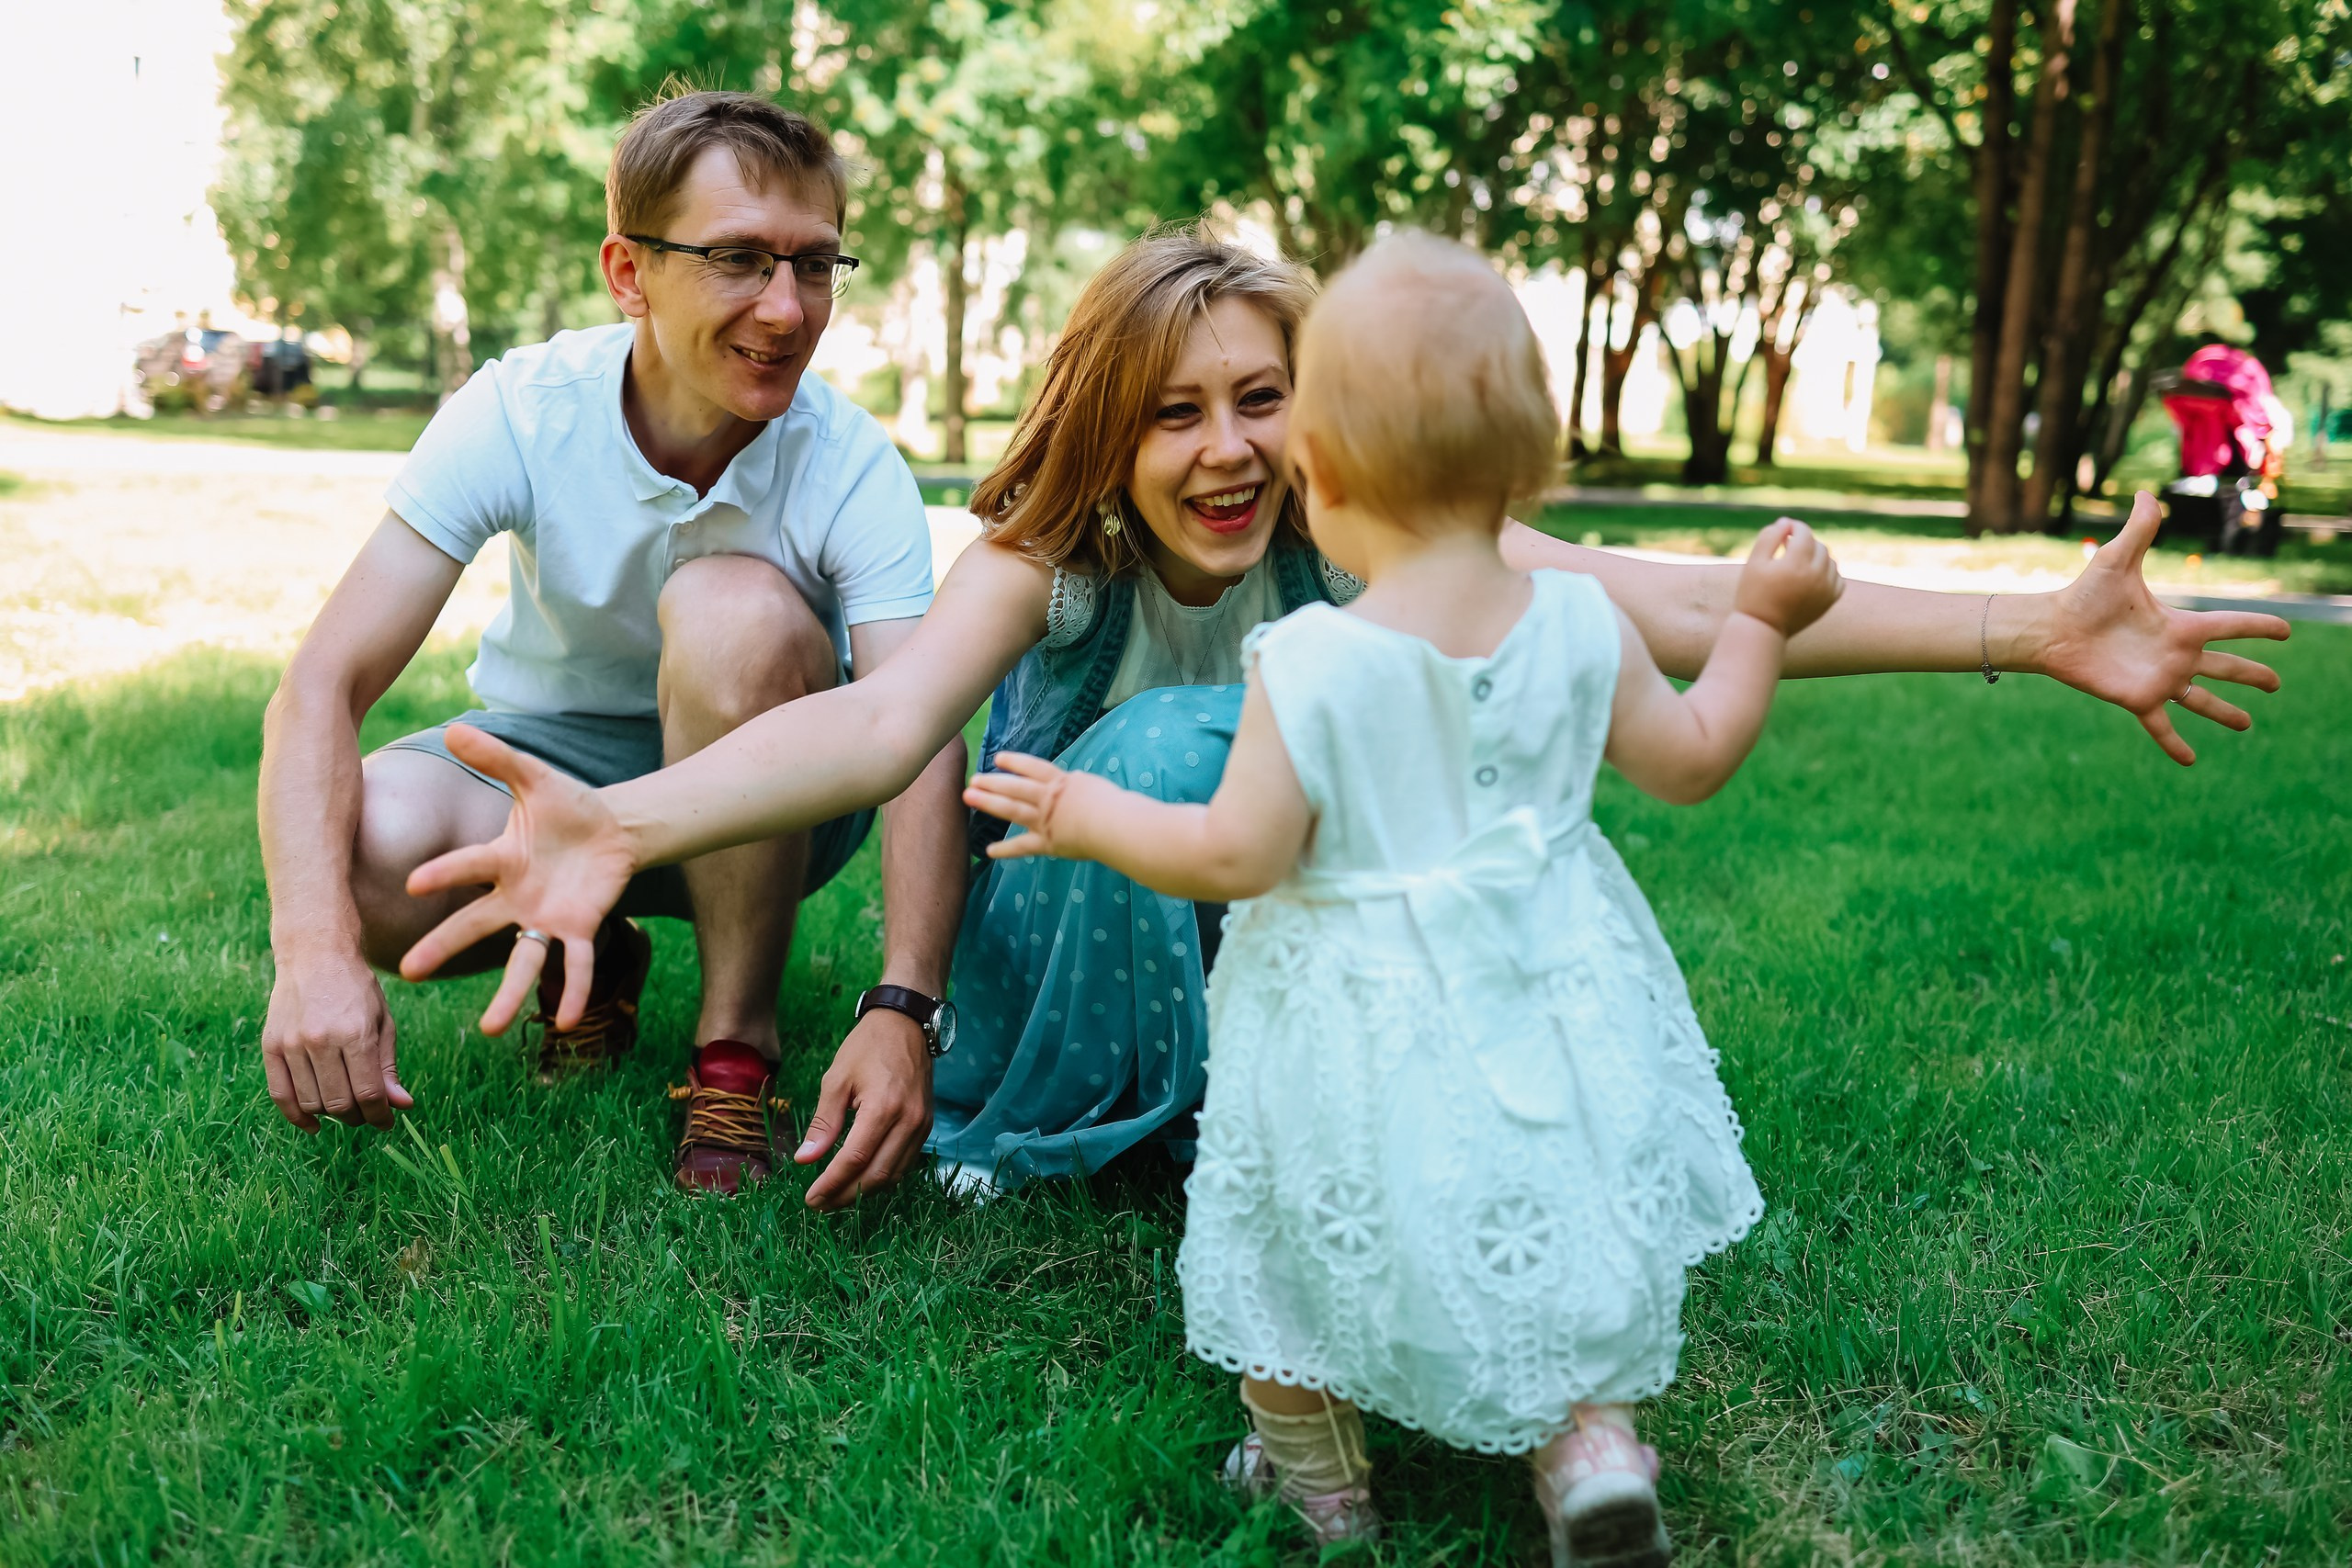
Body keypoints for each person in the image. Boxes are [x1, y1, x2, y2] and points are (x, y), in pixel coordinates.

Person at [392, 226, 2290, 1200]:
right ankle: (1133, 1138)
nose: (1227, 449)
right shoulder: (1055, 555)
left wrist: (2034, 625)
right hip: (1058, 946)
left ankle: (1295, 1120)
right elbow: (882, 733)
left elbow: (1696, 605)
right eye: (1173, 410)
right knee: (1174, 746)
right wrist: (629, 819)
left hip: (1262, 936)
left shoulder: (1364, 528)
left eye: (1262, 398)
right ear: (1109, 427)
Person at [958, 231, 1840, 1555]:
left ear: (1319, 468)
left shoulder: (1308, 659)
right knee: (1550, 1227)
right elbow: (1697, 757)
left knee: (1296, 1254)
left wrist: (1088, 812)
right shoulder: (1580, 621)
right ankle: (1591, 1449)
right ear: (1526, 461)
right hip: (1543, 1007)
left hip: (1352, 1028)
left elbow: (1234, 856)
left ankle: (1319, 1485)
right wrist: (1762, 622)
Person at [256, 90, 968, 1205]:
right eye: (739, 259)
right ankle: (606, 951)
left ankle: (734, 1048)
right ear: (629, 273)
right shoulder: (521, 410)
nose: (787, 308)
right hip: (550, 765)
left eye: (814, 264)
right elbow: (320, 684)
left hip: (773, 791)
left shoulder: (848, 459)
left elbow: (918, 731)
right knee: (365, 852)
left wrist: (906, 1006)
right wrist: (312, 953)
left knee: (734, 607)